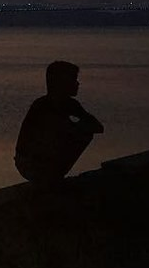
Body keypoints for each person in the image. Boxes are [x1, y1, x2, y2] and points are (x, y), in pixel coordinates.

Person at [14, 60, 104, 189]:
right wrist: (77, 127)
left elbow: (98, 127)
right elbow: (58, 131)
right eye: (74, 79)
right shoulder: (43, 106)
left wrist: (79, 125)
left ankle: (55, 175)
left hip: (45, 158)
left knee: (84, 134)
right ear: (62, 83)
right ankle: (49, 178)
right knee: (75, 134)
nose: (78, 83)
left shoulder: (72, 104)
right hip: (28, 162)